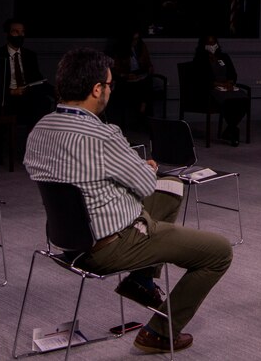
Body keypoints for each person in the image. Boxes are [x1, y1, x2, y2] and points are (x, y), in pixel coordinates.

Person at [24, 47, 231, 354]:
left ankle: (142, 281)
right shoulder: (103, 134)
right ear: (97, 90)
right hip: (111, 245)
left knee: (171, 187)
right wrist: (142, 168)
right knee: (219, 253)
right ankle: (159, 333)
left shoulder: (39, 129)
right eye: (109, 85)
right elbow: (146, 183)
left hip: (67, 240)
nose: (109, 90)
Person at [0, 17, 55, 127]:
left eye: (22, 32)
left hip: (28, 94)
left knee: (43, 101)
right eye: (15, 32)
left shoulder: (30, 55)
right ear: (8, 34)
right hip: (7, 97)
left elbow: (38, 79)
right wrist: (12, 92)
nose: (20, 36)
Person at [191, 35, 249, 146]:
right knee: (228, 101)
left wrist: (230, 83)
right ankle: (233, 132)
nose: (212, 46)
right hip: (212, 89)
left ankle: (230, 129)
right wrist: (218, 84)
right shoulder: (200, 60)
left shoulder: (224, 57)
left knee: (243, 98)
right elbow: (201, 79)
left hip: (228, 87)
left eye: (214, 43)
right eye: (209, 43)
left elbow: (233, 73)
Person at [108, 29, 157, 127]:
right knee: (141, 87)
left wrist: (149, 69)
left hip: (140, 74)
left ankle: (143, 108)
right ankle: (142, 109)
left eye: (137, 39)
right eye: (133, 40)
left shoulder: (140, 47)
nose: (135, 42)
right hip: (126, 77)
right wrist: (125, 75)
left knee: (147, 82)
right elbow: (115, 68)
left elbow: (147, 63)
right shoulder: (120, 50)